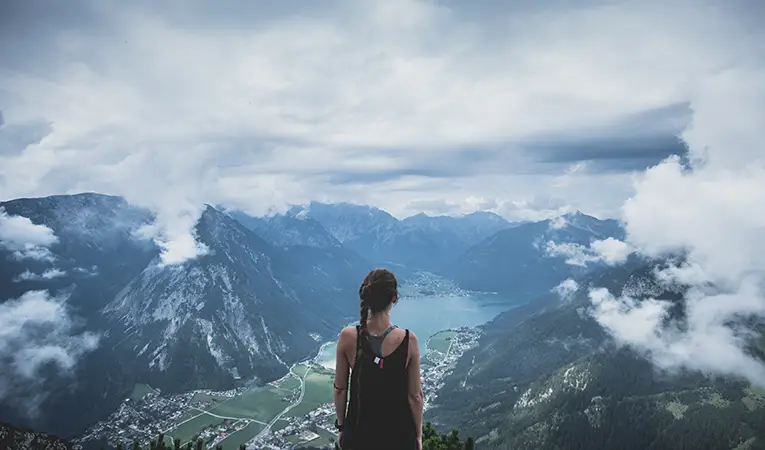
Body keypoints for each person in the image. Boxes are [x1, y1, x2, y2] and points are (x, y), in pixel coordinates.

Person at [333, 268, 423, 450]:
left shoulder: (348, 337)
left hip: (358, 436)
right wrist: (418, 435)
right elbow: (415, 396)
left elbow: (340, 389)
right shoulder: (408, 340)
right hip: (399, 438)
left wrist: (342, 427)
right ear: (394, 298)